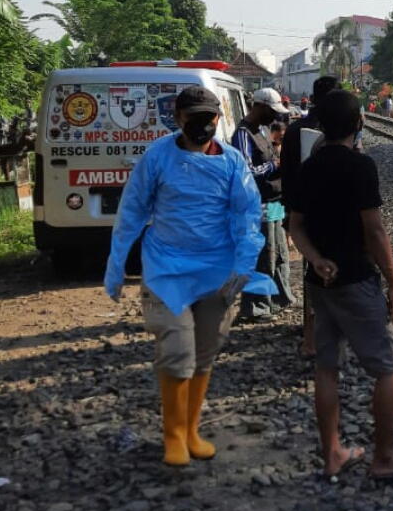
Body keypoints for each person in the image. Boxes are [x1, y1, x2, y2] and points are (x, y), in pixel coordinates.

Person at [104, 86, 275, 466]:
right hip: (167, 271)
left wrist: (244, 267)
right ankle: (174, 437)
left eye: (209, 119)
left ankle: (192, 429)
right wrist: (116, 267)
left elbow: (247, 216)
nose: (203, 126)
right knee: (177, 353)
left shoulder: (232, 162)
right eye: (194, 119)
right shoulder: (157, 158)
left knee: (204, 353)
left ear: (219, 119)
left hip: (217, 273)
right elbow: (131, 212)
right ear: (178, 119)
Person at [289, 89, 393, 482]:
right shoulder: (361, 167)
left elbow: (295, 227)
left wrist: (315, 259)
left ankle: (333, 454)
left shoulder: (308, 168)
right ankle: (384, 457)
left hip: (321, 283)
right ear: (358, 123)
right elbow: (375, 232)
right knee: (389, 367)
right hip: (356, 281)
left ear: (319, 124)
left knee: (327, 367)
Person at [281, 76, 341, 359]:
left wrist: (287, 214)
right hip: (331, 214)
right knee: (330, 271)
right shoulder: (336, 130)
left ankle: (310, 330)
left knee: (310, 272)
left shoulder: (293, 130)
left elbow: (286, 176)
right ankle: (320, 332)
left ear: (313, 98)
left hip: (299, 213)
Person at [232, 88, 296, 321]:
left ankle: (280, 297)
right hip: (258, 203)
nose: (275, 117)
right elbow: (246, 170)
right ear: (259, 107)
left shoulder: (263, 129)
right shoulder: (243, 134)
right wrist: (274, 167)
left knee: (279, 251)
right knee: (263, 255)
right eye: (271, 111)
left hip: (274, 201)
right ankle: (255, 307)